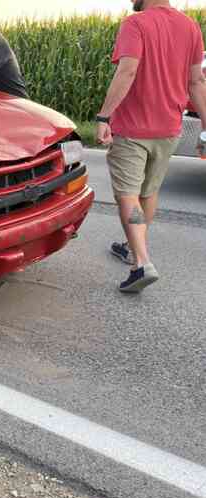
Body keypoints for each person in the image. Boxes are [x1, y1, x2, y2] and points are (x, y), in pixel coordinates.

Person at [96, 0, 206, 292]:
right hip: (168, 129)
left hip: (133, 128)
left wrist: (104, 116)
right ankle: (134, 247)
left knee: (128, 195)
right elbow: (196, 82)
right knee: (150, 191)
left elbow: (127, 71)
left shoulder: (136, 23)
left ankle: (141, 262)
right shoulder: (190, 26)